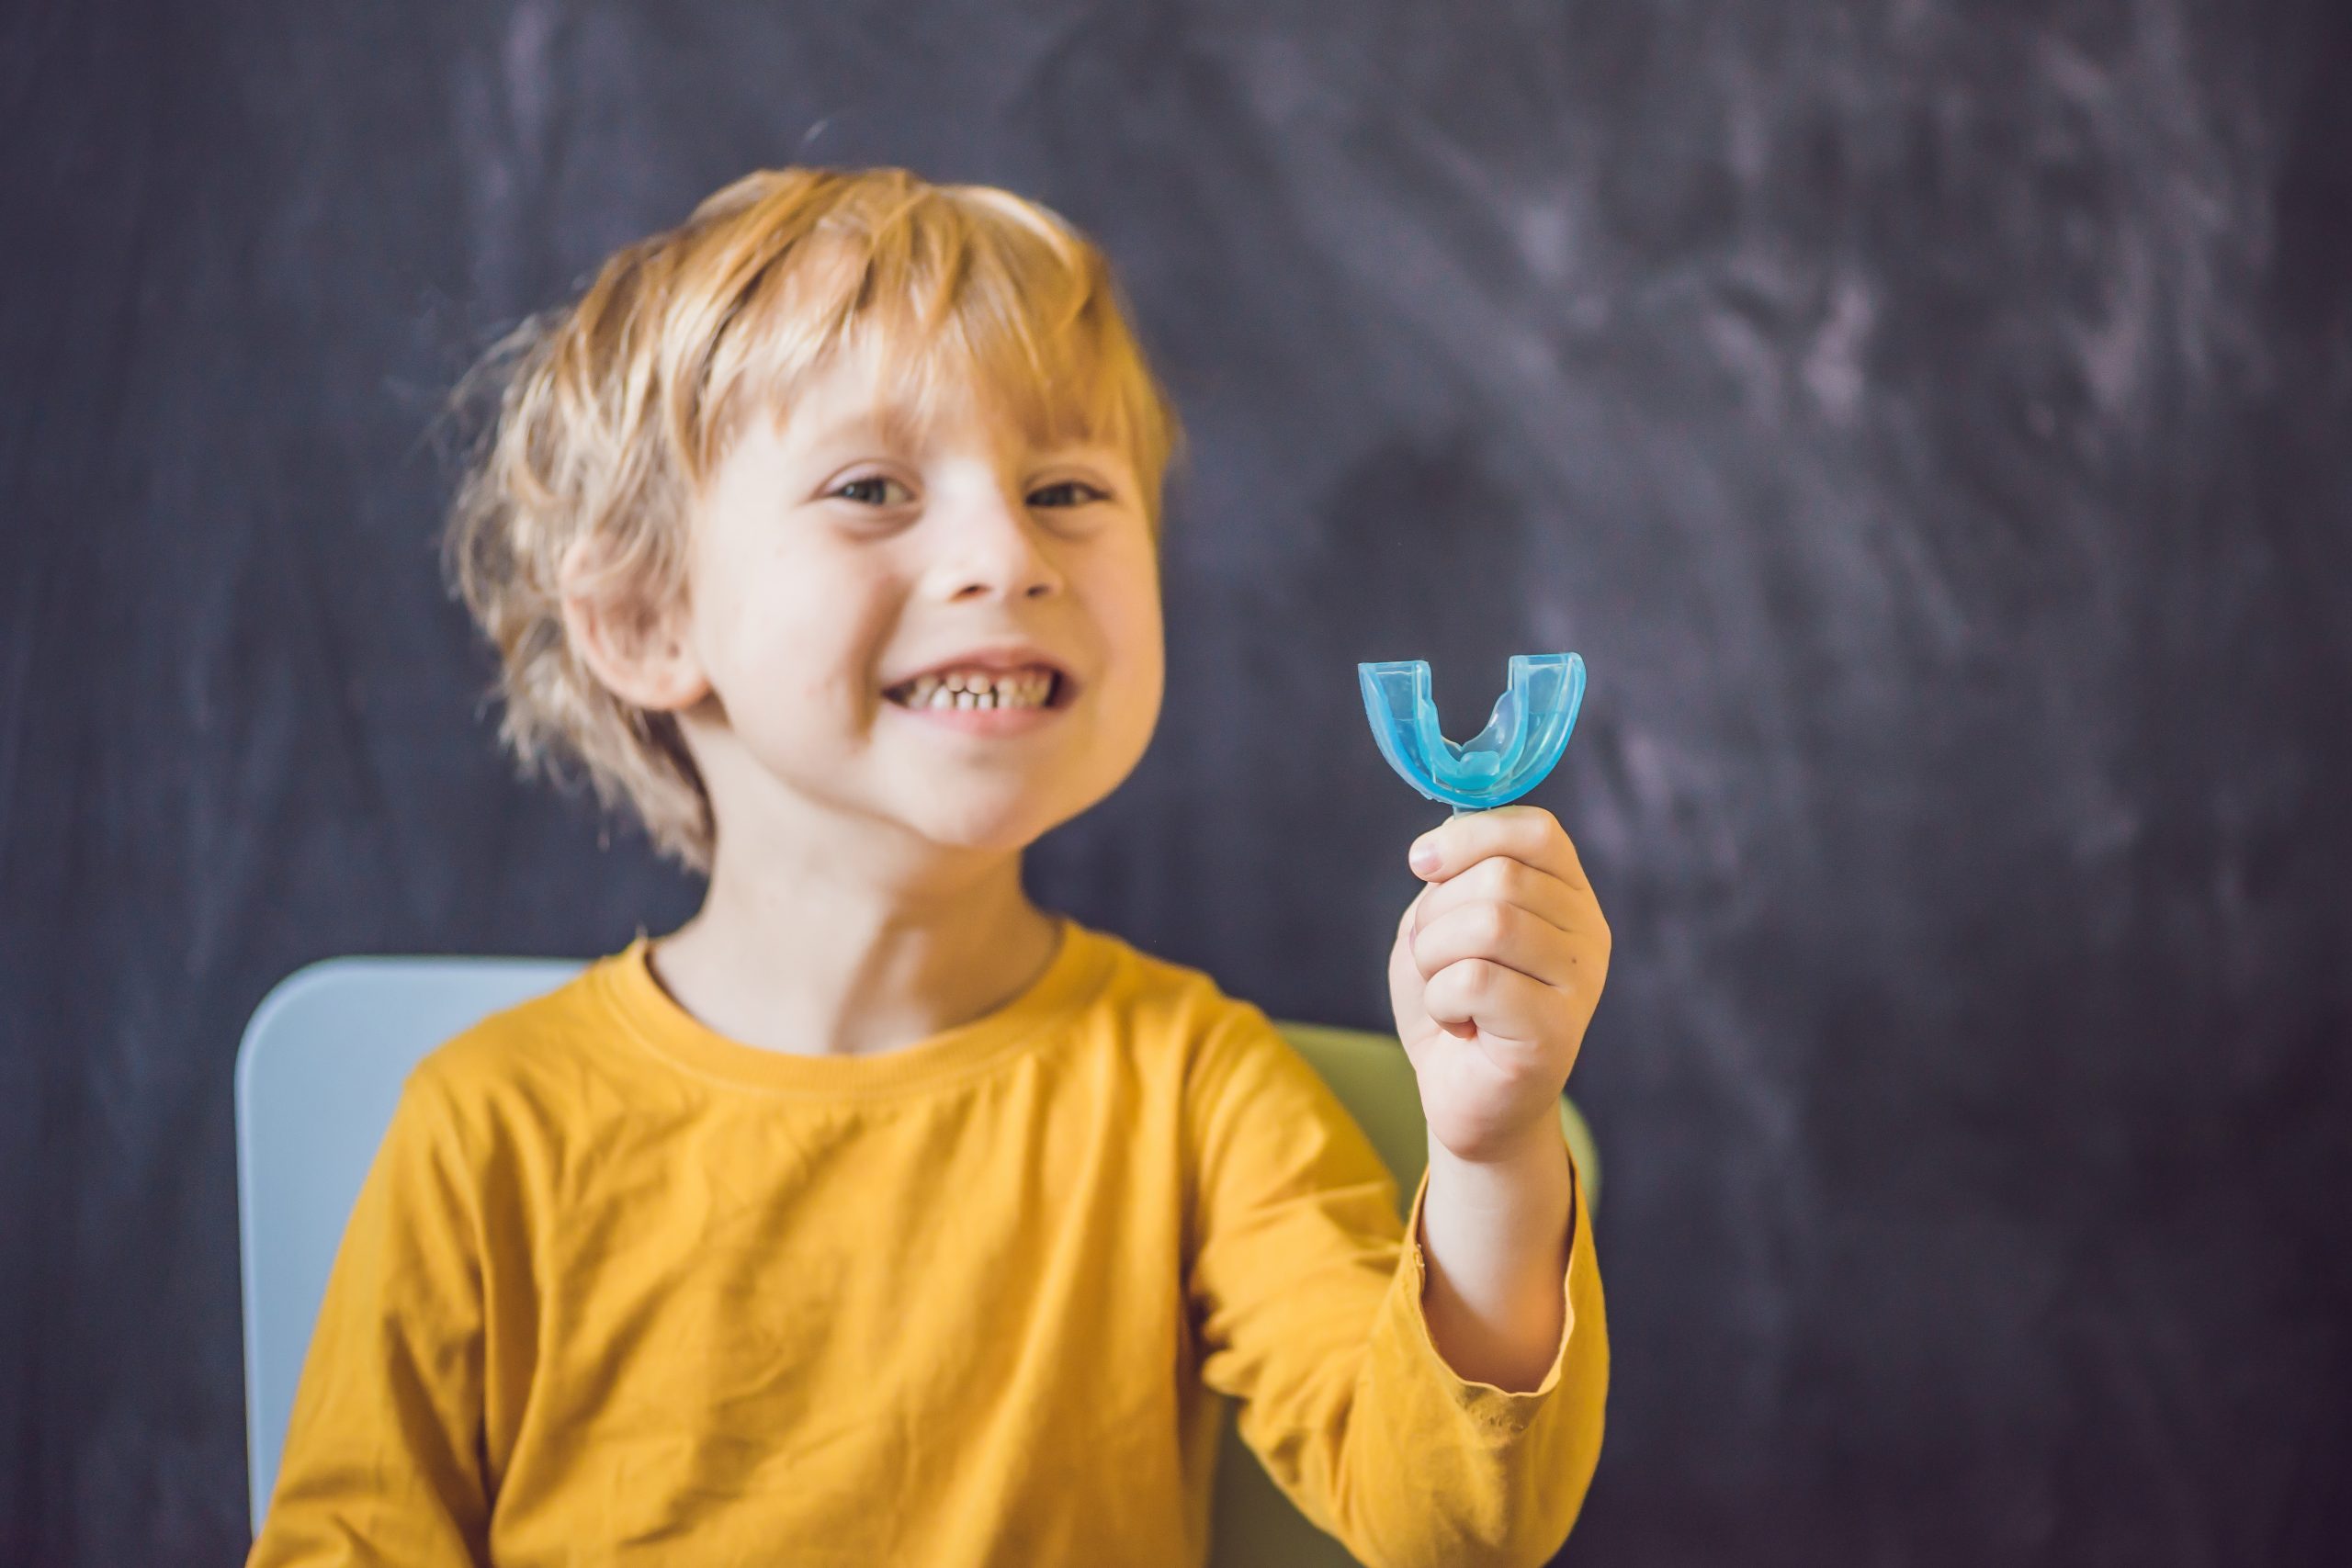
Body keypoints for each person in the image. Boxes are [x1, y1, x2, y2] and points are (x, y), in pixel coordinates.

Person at [247, 164, 1611, 1568]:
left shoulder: (1197, 1092)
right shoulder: (485, 1131)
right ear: (648, 618)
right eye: (871, 489)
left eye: (1065, 489)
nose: (1006, 554)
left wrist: (1491, 1152)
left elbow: (1459, 1527)